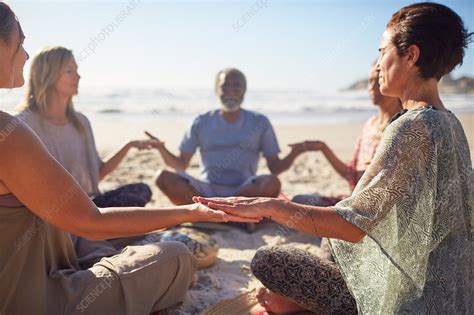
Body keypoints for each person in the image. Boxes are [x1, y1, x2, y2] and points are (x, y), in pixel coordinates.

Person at [195, 2, 473, 313]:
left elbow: (352, 226)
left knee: (268, 260)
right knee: (330, 243)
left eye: (383, 52)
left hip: (412, 301)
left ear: (410, 55)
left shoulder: (412, 127)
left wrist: (271, 206)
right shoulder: (450, 122)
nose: (379, 64)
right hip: (453, 292)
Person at [0, 3, 259, 314]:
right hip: (32, 299)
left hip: (54, 244)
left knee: (111, 228)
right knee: (176, 257)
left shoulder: (74, 122)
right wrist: (193, 211)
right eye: (21, 42)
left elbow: (88, 196)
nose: (25, 56)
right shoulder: (12, 131)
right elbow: (90, 222)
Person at [18, 46, 154, 208]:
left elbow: (97, 174)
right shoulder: (24, 124)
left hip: (88, 207)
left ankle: (95, 230)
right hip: (52, 212)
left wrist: (129, 145)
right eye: (69, 71)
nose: (78, 76)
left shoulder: (81, 122)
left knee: (140, 191)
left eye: (76, 70)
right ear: (48, 75)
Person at [153, 68, 307, 205]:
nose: (230, 91)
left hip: (245, 190)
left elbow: (275, 168)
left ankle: (221, 212)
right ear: (216, 90)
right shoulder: (201, 121)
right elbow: (181, 165)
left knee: (271, 182)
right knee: (163, 178)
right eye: (224, 86)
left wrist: (295, 153)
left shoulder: (260, 122)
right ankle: (216, 212)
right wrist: (161, 149)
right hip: (206, 190)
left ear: (244, 91)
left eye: (236, 86)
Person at [291, 64, 402, 207]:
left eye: (378, 81)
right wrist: (323, 148)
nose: (371, 87)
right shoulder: (370, 124)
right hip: (353, 202)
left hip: (375, 210)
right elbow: (351, 174)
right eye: (369, 81)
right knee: (298, 201)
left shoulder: (401, 127)